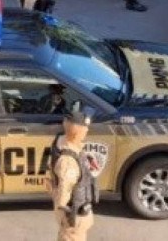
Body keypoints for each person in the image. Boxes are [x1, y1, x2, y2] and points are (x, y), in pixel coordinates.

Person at [47, 102, 98, 241]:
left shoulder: (62, 141)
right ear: (78, 133)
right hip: (74, 215)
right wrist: (67, 218)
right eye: (85, 129)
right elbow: (64, 194)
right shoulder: (68, 162)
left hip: (77, 211)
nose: (87, 131)